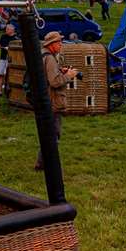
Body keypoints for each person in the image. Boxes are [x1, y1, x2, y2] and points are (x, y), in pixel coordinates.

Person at [34, 30, 79, 170]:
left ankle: (42, 163)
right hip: (52, 102)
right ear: (51, 44)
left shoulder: (42, 55)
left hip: (43, 101)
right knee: (53, 135)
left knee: (48, 134)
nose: (60, 45)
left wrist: (60, 71)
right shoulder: (50, 59)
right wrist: (69, 76)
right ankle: (48, 164)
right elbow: (54, 82)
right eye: (59, 42)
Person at [0, 23, 16, 95]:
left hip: (11, 59)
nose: (6, 30)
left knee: (7, 75)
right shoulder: (3, 36)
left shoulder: (16, 39)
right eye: (6, 29)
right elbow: (0, 44)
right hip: (3, 58)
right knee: (0, 74)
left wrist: (9, 49)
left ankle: (8, 90)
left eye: (7, 29)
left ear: (12, 30)